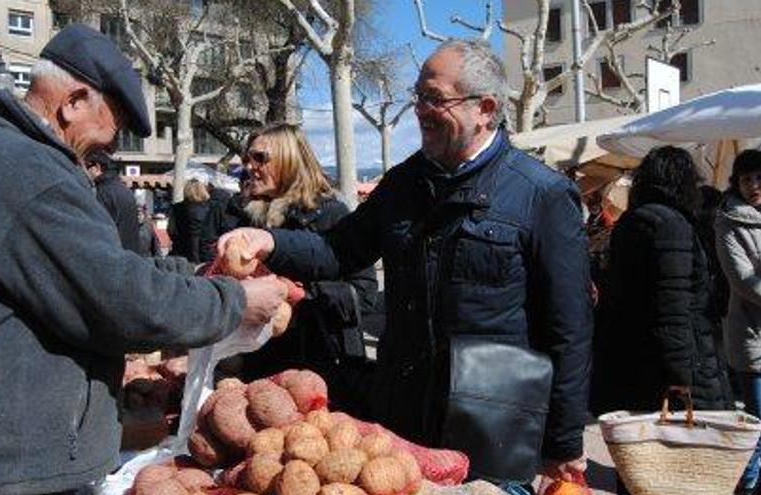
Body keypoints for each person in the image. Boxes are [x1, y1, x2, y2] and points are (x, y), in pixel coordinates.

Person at [0, 24, 287, 495]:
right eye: (111, 130)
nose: (109, 149)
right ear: (73, 101)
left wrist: (201, 274)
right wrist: (234, 301)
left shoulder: (12, 159)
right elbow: (120, 301)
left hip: (0, 459)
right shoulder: (25, 172)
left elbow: (100, 267)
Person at [217, 39, 591, 494]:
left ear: (485, 108)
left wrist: (565, 441)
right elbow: (339, 250)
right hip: (402, 422)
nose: (420, 110)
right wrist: (269, 241)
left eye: (435, 98)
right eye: (418, 97)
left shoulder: (542, 195)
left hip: (492, 427)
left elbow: (569, 328)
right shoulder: (402, 184)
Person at [593, 146, 733, 495]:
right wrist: (680, 378)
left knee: (642, 468)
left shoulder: (634, 221)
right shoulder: (670, 226)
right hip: (673, 370)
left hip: (636, 365)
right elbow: (672, 308)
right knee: (680, 470)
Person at [235, 123, 378, 417]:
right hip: (260, 369)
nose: (250, 167)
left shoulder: (332, 215)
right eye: (247, 158)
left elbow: (364, 295)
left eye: (260, 157)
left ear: (289, 160)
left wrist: (299, 294)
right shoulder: (248, 218)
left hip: (321, 369)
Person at [715, 149, 761, 495]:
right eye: (746, 180)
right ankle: (746, 487)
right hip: (753, 336)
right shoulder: (730, 221)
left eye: (760, 178)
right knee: (757, 427)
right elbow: (743, 281)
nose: (754, 186)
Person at [85, 151, 142, 253]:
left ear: (97, 168)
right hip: (131, 254)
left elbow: (98, 231)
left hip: (114, 256)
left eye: (86, 167)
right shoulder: (123, 189)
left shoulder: (103, 192)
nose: (84, 171)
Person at [169, 178, 214, 263]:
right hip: (206, 254)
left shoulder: (177, 208)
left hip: (181, 253)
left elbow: (171, 230)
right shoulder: (212, 208)